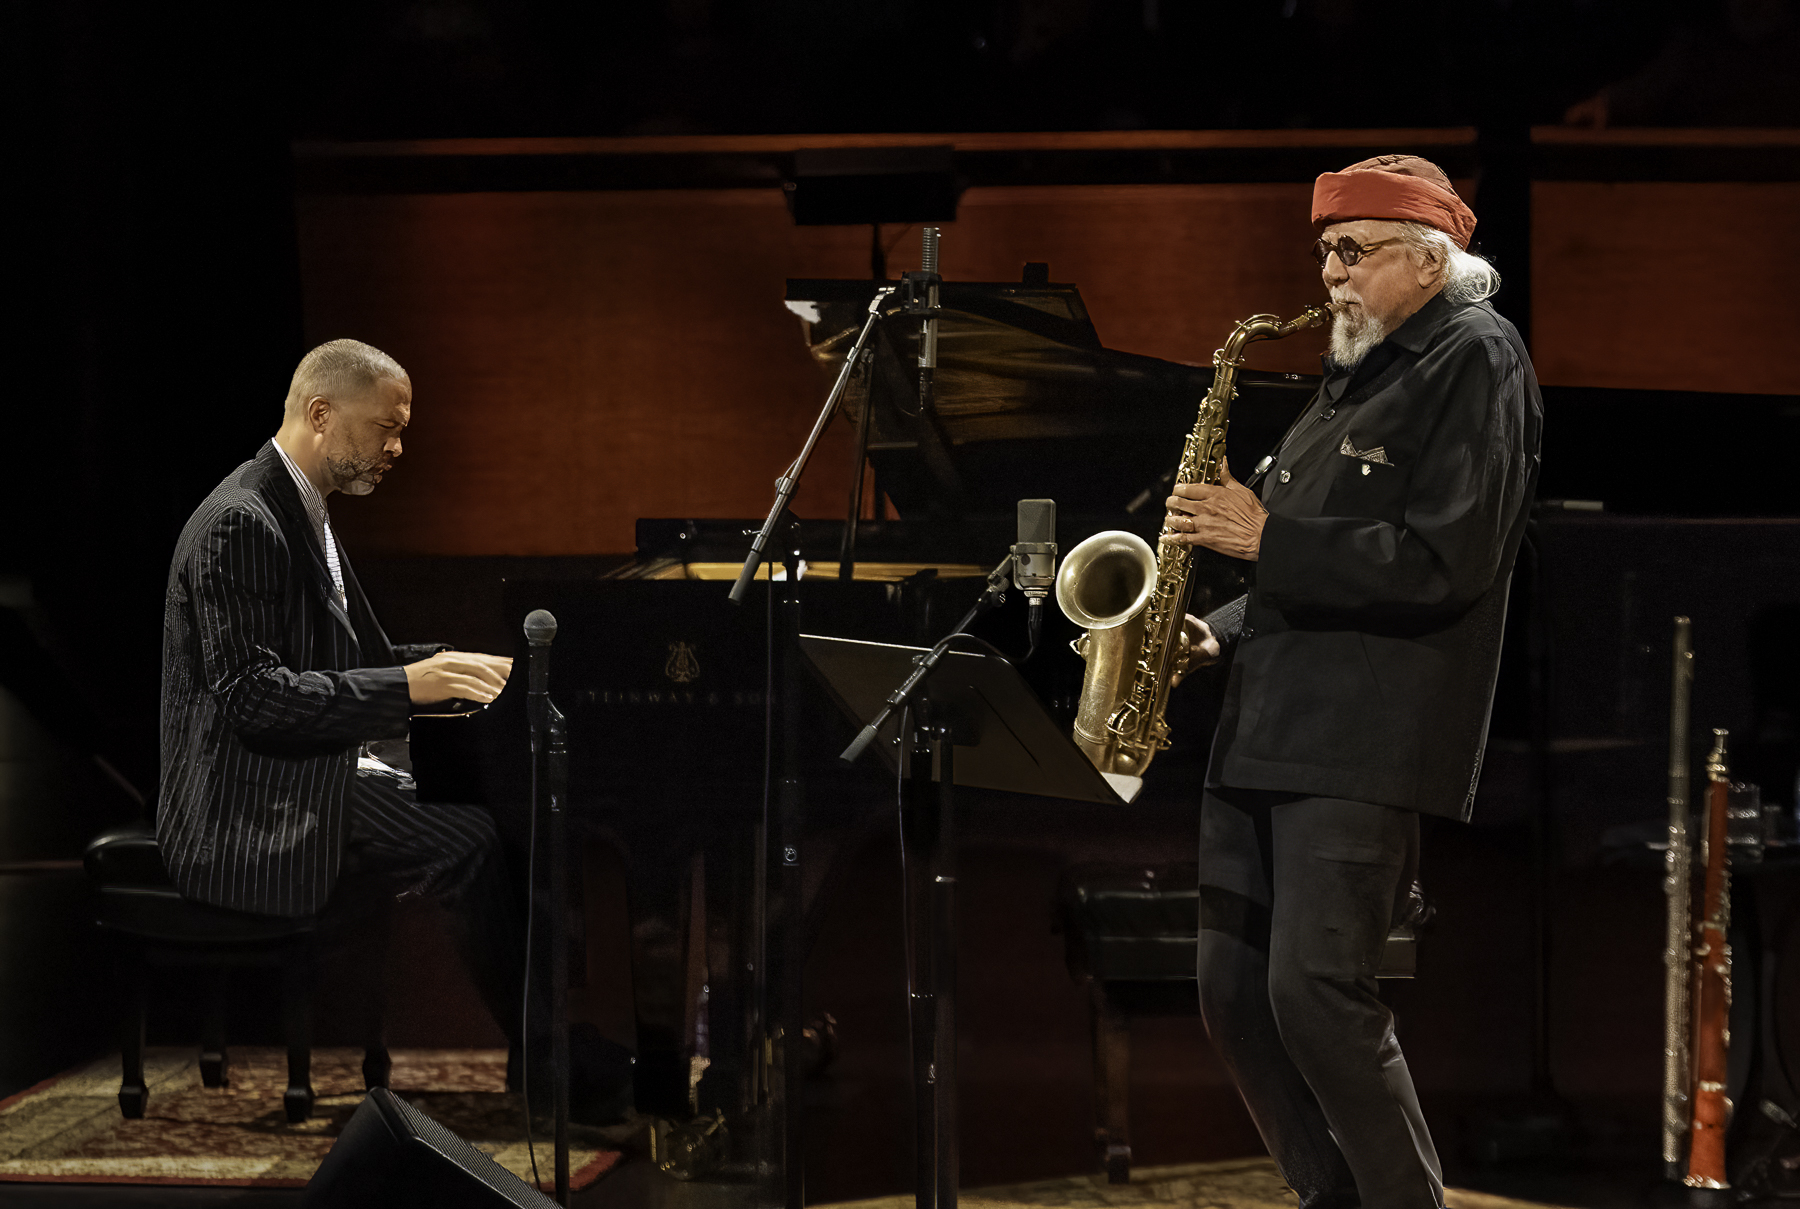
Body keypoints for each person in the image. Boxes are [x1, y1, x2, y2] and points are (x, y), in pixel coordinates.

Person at [1163, 155, 1543, 1208]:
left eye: (1351, 252)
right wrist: (1217, 631)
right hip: (1266, 720)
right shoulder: (1355, 370)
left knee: (1318, 994)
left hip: (1362, 732)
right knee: (1234, 992)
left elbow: (1446, 557)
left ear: (1430, 258)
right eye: (1324, 251)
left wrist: (1261, 536)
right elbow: (1307, 553)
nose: (1329, 275)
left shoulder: (1478, 357)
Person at [158, 338, 524, 1053]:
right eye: (388, 427)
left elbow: (358, 661)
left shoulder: (303, 509)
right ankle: (547, 1061)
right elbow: (253, 698)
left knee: (505, 808)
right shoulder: (242, 520)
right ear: (321, 413)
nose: (396, 447)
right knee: (473, 841)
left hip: (308, 764)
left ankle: (551, 1045)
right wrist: (413, 687)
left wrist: (455, 664)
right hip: (251, 789)